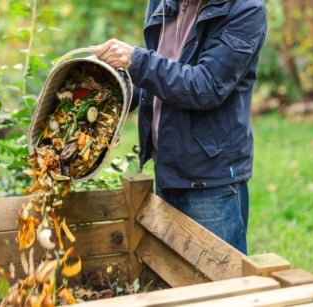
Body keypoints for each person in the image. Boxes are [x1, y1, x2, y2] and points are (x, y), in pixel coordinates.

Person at [92, 0, 267, 254]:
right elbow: (159, 79)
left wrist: (136, 61)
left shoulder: (245, 10)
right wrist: (110, 88)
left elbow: (206, 86)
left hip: (211, 181)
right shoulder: (163, 3)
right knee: (175, 275)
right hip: (167, 168)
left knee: (220, 284)